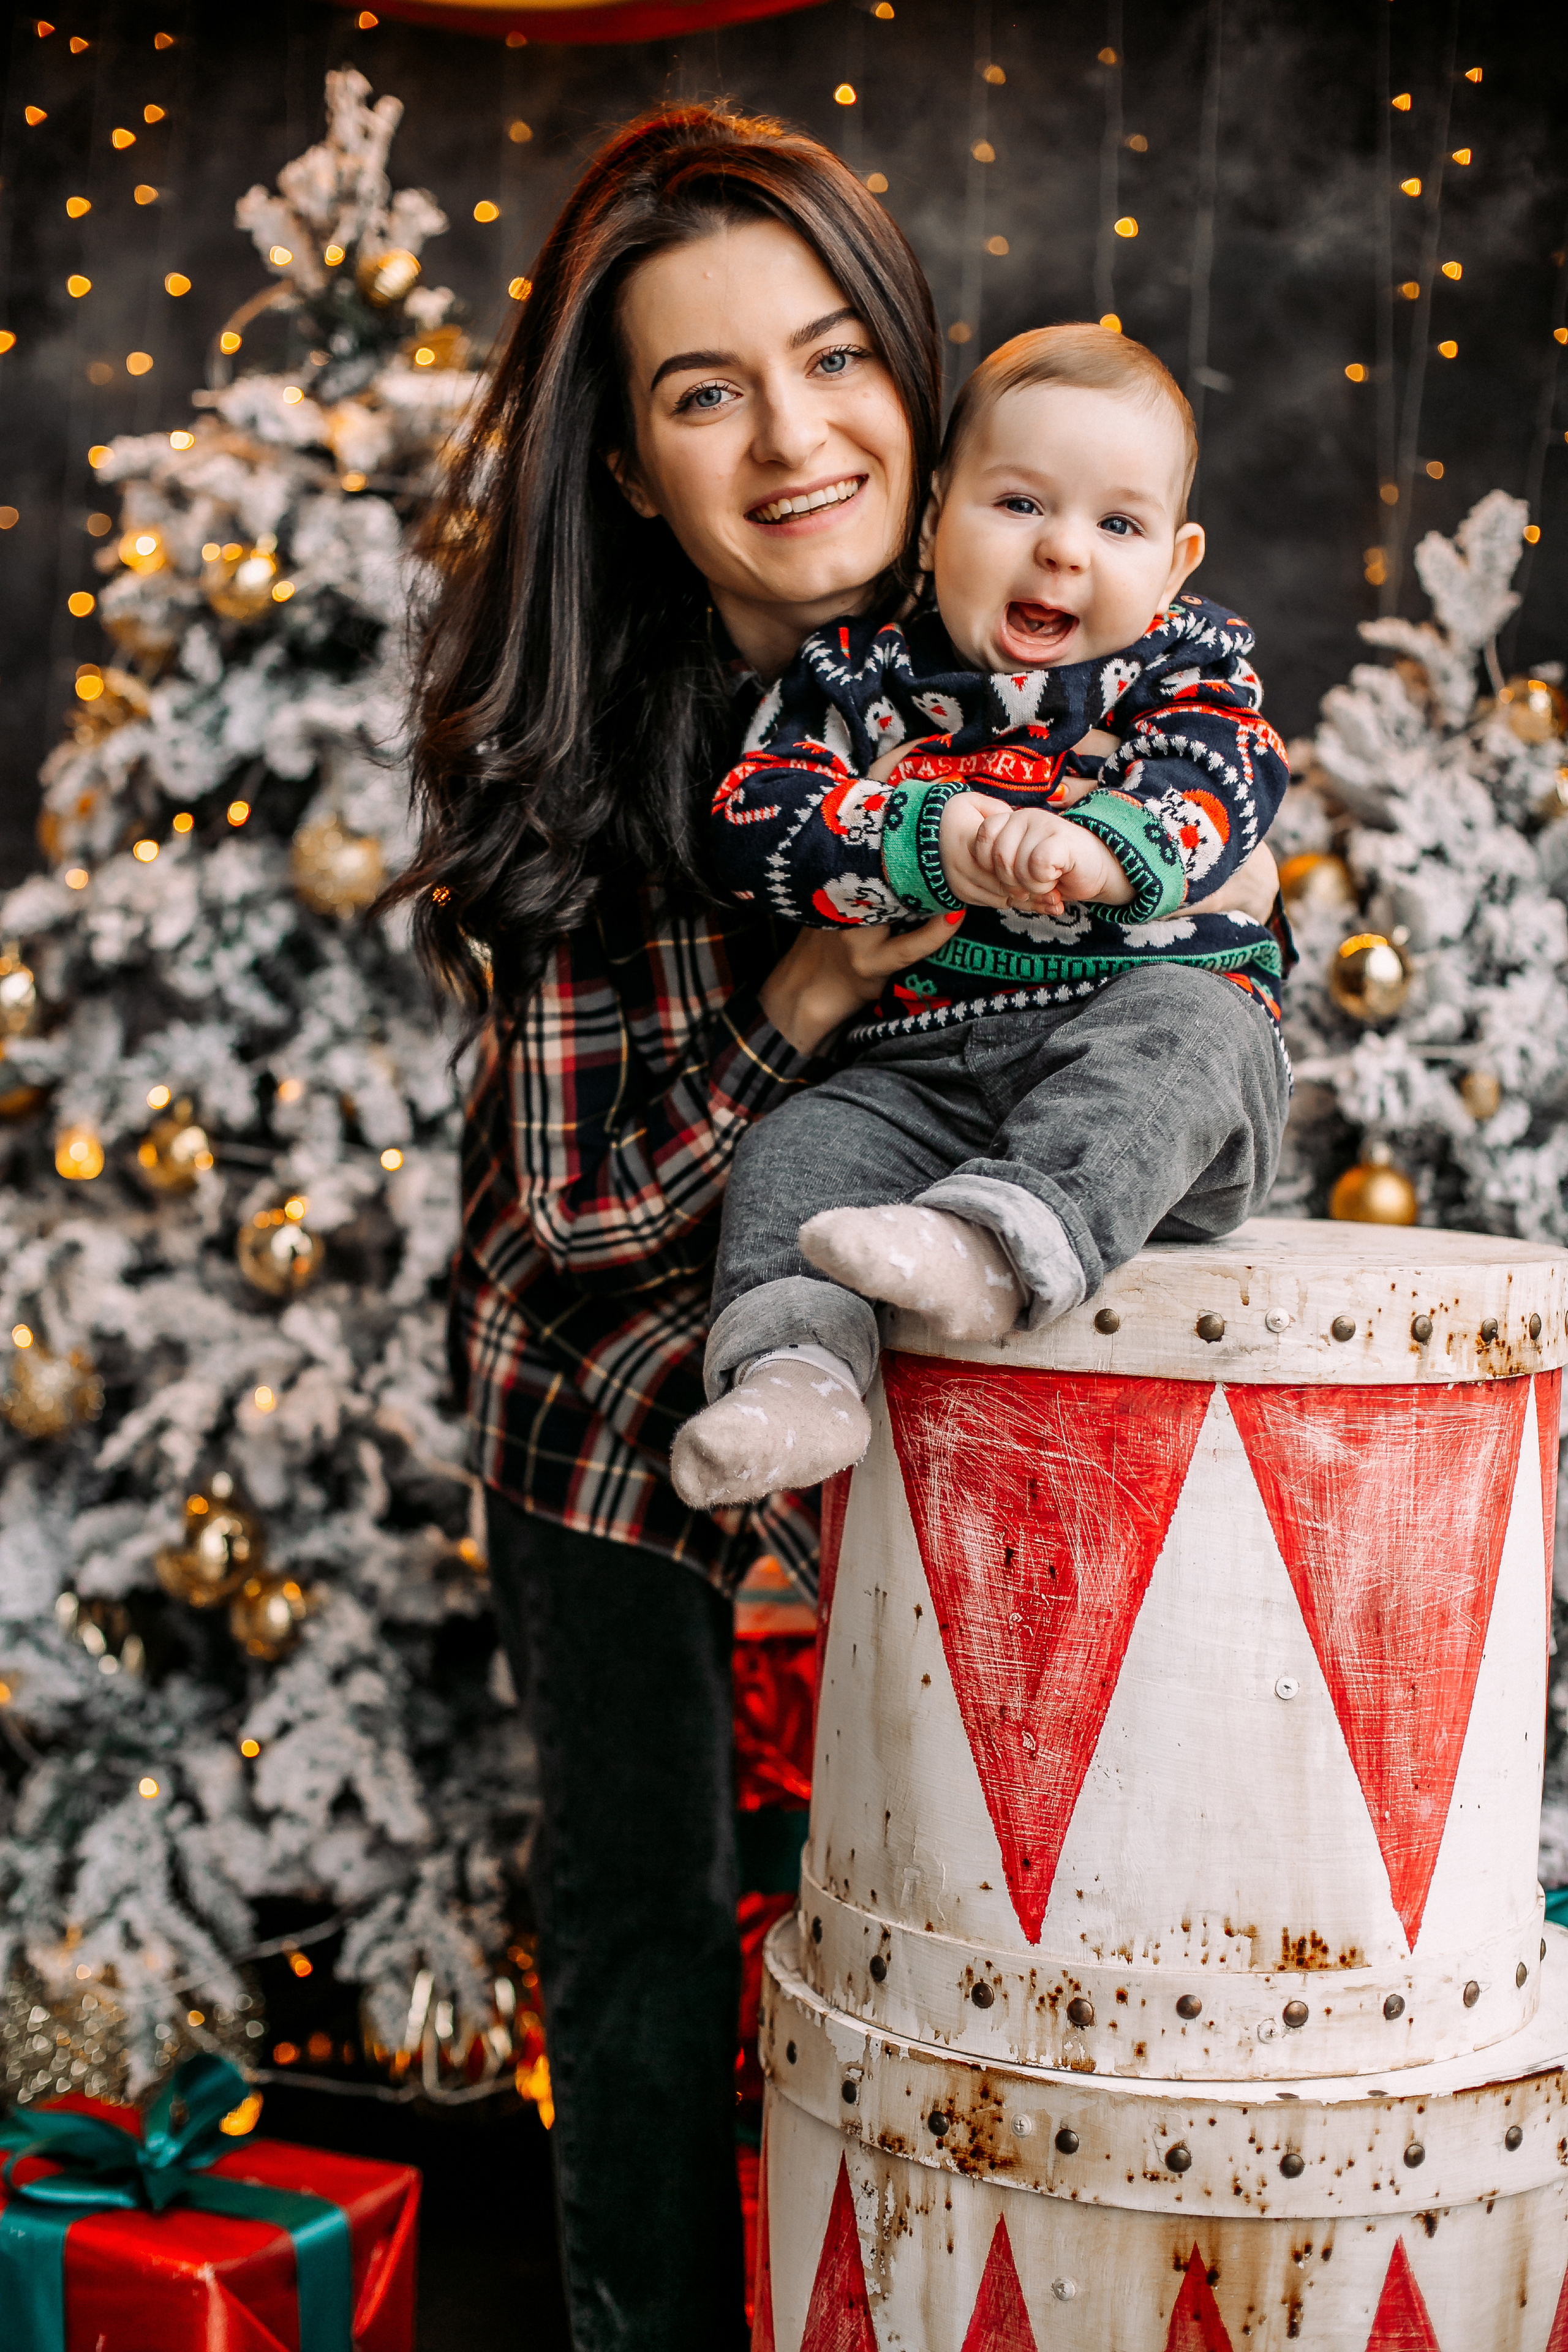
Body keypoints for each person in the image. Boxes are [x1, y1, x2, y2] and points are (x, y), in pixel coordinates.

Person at [394, 105, 1275, 2348]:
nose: (796, 439)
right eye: (706, 394)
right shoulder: (584, 735)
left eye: (833, 361)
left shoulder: (1006, 603)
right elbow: (585, 1216)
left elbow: (1186, 933)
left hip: (922, 1327)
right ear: (626, 464)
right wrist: (799, 997)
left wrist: (1186, 893)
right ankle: (650, 2319)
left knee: (950, 1878)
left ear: (913, 370)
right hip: (601, 1399)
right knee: (651, 1907)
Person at [672, 325, 1293, 1507]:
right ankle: (795, 1373)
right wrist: (928, 837)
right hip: (922, 1080)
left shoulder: (1182, 673)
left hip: (1153, 1087)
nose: (1063, 550)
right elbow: (752, 818)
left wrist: (1112, 847)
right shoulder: (860, 681)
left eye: (1118, 525)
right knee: (798, 1149)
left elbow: (1229, 780)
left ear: (1175, 559)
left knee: (1194, 1028)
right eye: (1018, 503)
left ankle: (998, 1250)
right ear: (936, 516)